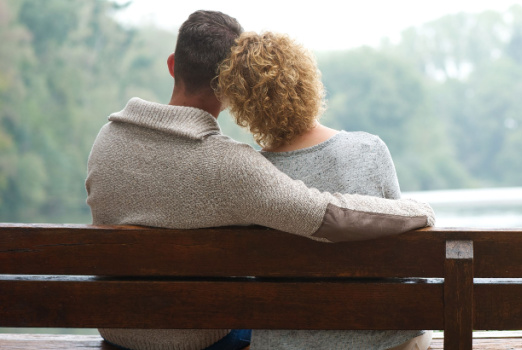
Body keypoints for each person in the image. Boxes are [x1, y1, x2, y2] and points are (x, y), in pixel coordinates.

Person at [85, 10, 435, 350]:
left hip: (117, 327)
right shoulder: (229, 164)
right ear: (229, 86)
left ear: (172, 64)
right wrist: (417, 212)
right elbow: (327, 216)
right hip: (198, 338)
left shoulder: (106, 139)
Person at [215, 32, 432, 350]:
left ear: (243, 105)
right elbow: (402, 245)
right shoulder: (368, 148)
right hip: (384, 341)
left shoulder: (251, 176)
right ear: (307, 82)